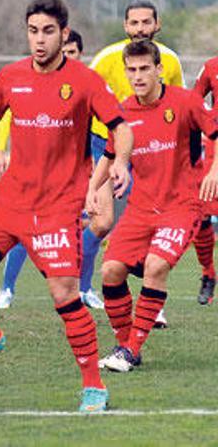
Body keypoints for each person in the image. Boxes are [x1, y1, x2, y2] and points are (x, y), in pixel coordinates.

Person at [0, 0, 133, 413]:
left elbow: (120, 126)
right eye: (33, 31)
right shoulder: (10, 77)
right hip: (10, 200)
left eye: (48, 31)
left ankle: (94, 387)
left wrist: (119, 162)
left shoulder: (85, 81)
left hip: (57, 207)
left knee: (64, 295)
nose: (39, 39)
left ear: (65, 34)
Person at [94, 40, 218, 372]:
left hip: (182, 206)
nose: (138, 76)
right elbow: (108, 157)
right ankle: (124, 346)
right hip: (140, 209)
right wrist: (93, 189)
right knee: (110, 271)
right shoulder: (122, 113)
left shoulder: (184, 101)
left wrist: (215, 170)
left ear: (158, 69)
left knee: (155, 266)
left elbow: (216, 130)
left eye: (144, 68)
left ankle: (132, 349)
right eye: (131, 70)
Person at [87, 0, 185, 327]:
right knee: (102, 224)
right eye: (134, 22)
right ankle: (82, 282)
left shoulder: (169, 60)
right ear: (125, 26)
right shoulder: (105, 59)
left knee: (148, 222)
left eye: (146, 22)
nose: (140, 28)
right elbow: (84, 100)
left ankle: (151, 301)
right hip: (107, 145)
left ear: (157, 25)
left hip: (151, 149)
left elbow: (178, 107)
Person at [0, 30, 103, 309]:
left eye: (73, 51)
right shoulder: (34, 81)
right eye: (65, 49)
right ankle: (6, 289)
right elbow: (6, 113)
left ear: (80, 55)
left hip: (75, 173)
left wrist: (108, 161)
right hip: (33, 172)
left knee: (89, 227)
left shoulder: (85, 84)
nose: (67, 55)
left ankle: (84, 289)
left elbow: (105, 124)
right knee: (24, 227)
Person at [191, 57, 218, 305]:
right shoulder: (211, 67)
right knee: (201, 218)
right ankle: (208, 273)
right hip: (213, 153)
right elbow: (194, 100)